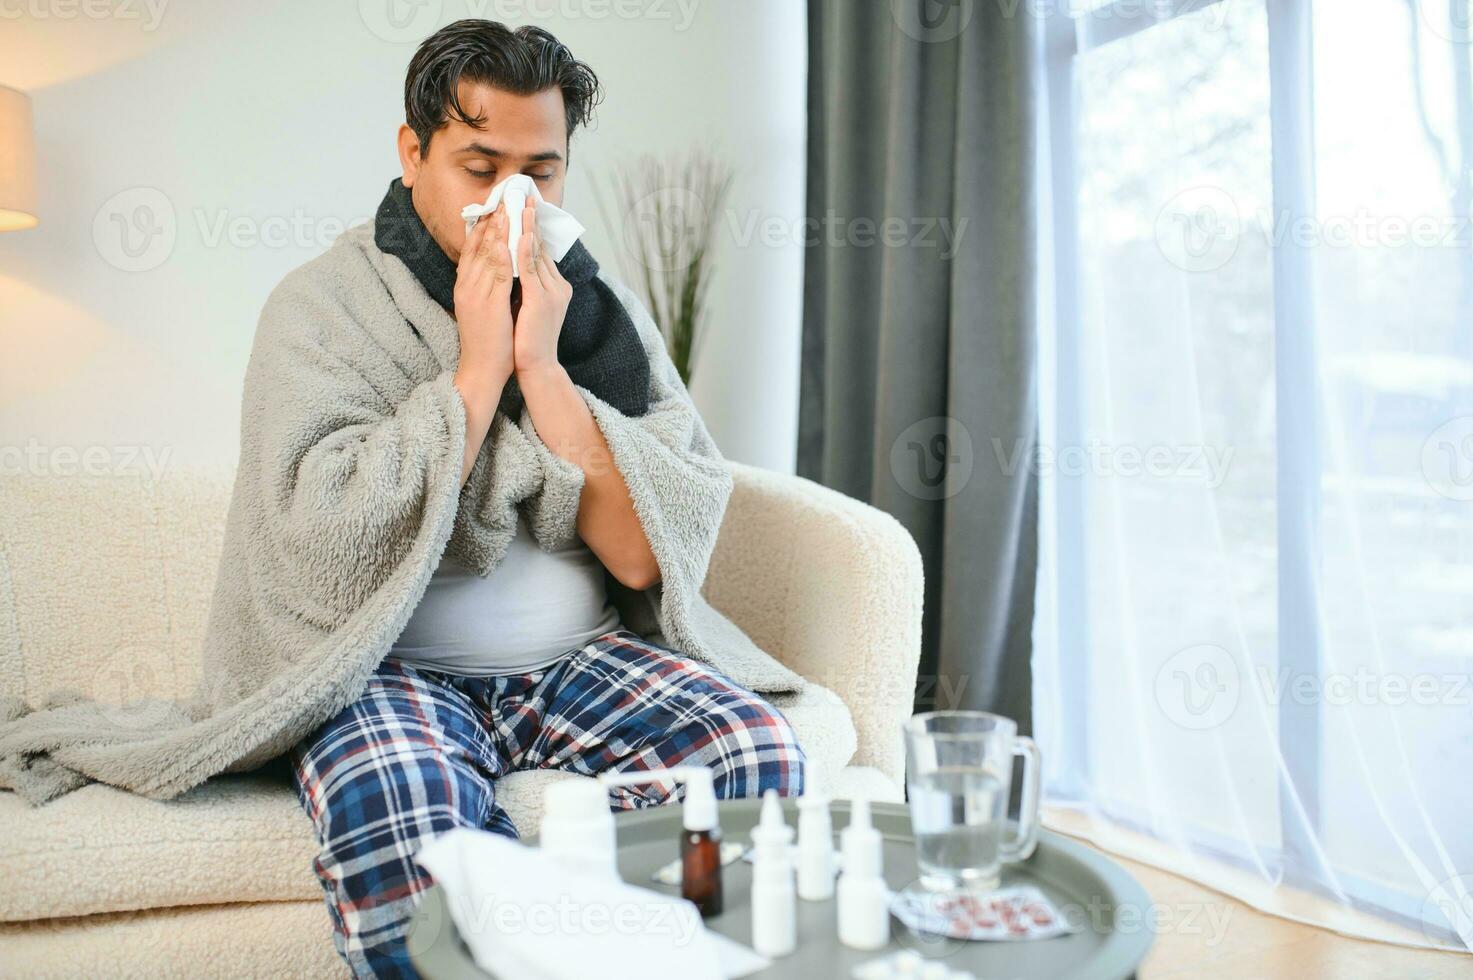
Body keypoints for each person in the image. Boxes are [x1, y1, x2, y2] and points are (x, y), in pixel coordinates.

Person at [285, 20, 805, 977]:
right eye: (481, 167)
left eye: (542, 171)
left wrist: (541, 364)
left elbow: (646, 557)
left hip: (575, 661)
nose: (514, 200)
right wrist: (479, 368)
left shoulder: (598, 314)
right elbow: (321, 536)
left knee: (750, 749)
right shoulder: (325, 306)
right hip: (394, 673)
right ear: (413, 154)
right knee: (392, 807)